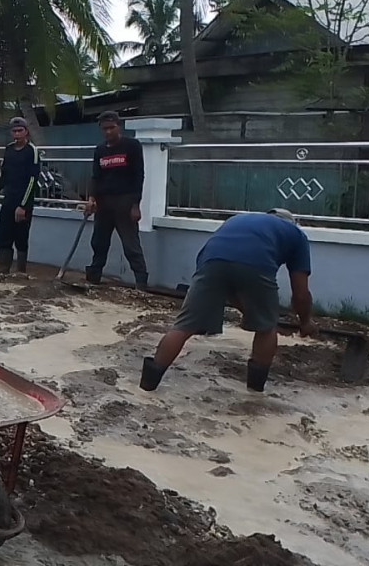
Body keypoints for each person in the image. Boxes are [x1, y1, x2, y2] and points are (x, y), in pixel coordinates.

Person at [142, 209, 317, 394]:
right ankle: (255, 393)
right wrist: (305, 322)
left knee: (184, 326)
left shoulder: (240, 219)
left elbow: (229, 284)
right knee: (266, 330)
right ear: (292, 222)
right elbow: (300, 293)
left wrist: (251, 312)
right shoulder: (296, 234)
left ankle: (147, 387)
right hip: (258, 264)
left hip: (210, 262)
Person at [84, 111, 148, 288]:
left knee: (131, 245)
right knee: (98, 242)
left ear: (119, 127)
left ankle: (141, 283)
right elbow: (96, 176)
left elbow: (139, 176)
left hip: (125, 202)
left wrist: (136, 205)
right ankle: (94, 278)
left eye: (111, 128)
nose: (108, 132)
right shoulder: (100, 150)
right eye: (104, 129)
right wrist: (91, 199)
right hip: (104, 202)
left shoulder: (132, 146)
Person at [0, 117, 40, 273]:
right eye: (14, 131)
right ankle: (3, 270)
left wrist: (23, 206)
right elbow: (4, 176)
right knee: (3, 236)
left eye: (20, 130)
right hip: (9, 199)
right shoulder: (8, 150)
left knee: (21, 238)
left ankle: (20, 272)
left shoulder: (31, 151)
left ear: (26, 132)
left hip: (23, 201)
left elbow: (33, 180)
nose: (17, 134)